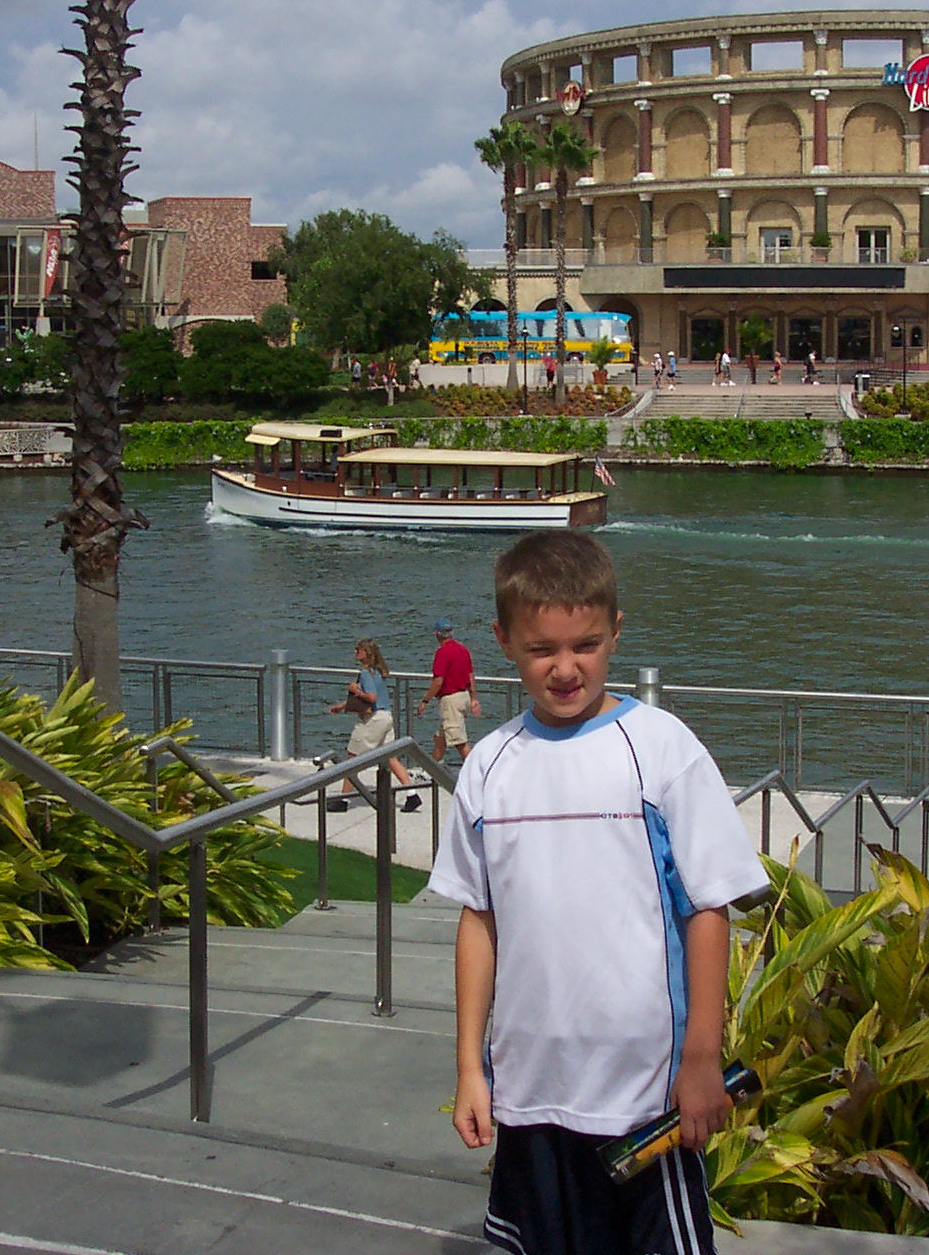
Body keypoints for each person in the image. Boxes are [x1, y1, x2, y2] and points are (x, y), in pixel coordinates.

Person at [432, 531, 767, 1255]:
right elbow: (478, 919)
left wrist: (702, 1059)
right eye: (539, 649)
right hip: (529, 1093)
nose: (563, 668)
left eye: (584, 645)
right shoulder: (489, 768)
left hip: (645, 1094)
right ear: (502, 640)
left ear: (616, 631)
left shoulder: (663, 748)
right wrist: (470, 1069)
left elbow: (708, 910)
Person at [326, 639, 416, 813]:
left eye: (358, 650)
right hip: (386, 716)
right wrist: (343, 705)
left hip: (372, 719)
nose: (355, 653)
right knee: (390, 757)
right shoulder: (377, 672)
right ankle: (411, 794)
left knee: (352, 758)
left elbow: (372, 697)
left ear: (366, 652)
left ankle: (343, 800)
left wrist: (355, 690)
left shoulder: (366, 673)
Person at [417, 617, 482, 764]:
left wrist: (425, 700)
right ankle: (431, 772)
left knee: (460, 743)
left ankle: (480, 775)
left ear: (437, 634)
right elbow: (470, 676)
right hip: (463, 697)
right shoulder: (463, 650)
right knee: (440, 740)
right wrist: (473, 698)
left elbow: (438, 681)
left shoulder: (442, 652)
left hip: (450, 700)